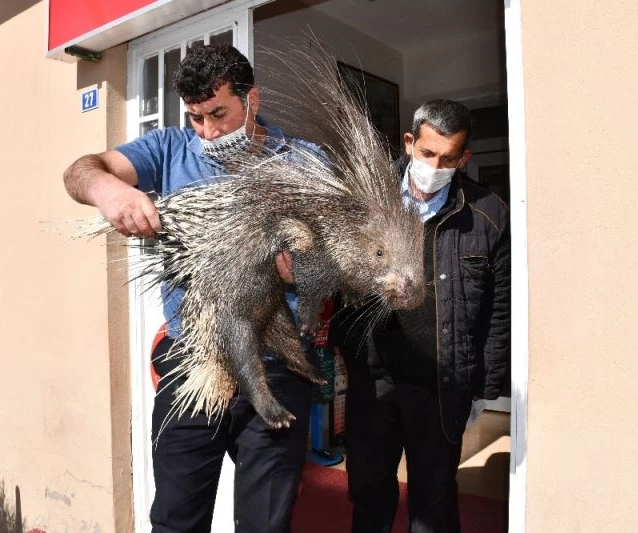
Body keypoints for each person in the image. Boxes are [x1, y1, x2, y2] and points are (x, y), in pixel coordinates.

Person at [63, 44, 318, 533]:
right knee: (177, 518)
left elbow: (338, 267)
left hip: (277, 368)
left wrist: (304, 271)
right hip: (191, 366)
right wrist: (108, 189)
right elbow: (80, 170)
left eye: (219, 114)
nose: (208, 131)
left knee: (267, 523)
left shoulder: (305, 161)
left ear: (252, 100)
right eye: (196, 118)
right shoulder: (168, 149)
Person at [331, 99, 510, 533]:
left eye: (449, 158)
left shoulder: (487, 213)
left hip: (439, 384)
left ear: (464, 157)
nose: (436, 165)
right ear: (410, 142)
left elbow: (497, 308)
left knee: (434, 503)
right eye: (428, 153)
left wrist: (483, 388)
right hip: (373, 379)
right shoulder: (363, 199)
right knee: (370, 493)